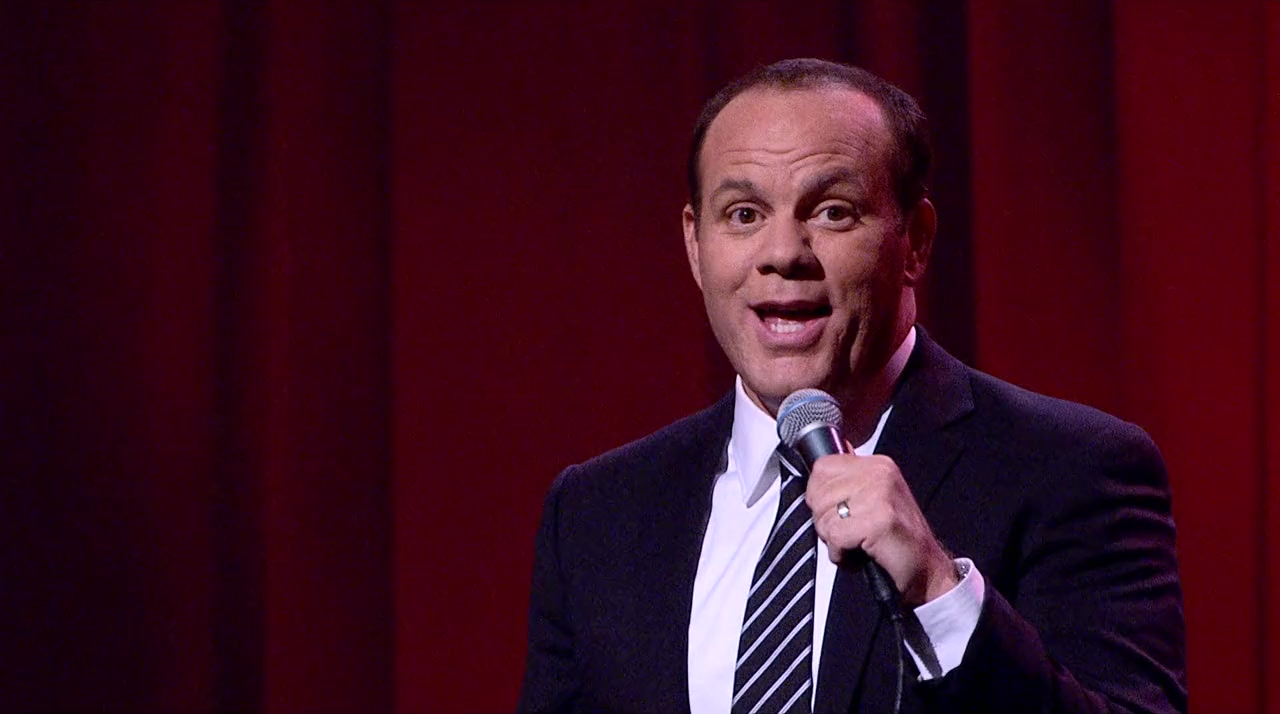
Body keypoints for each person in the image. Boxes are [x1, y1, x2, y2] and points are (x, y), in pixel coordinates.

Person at [517, 58, 1185, 714]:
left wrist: (938, 590)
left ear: (914, 241)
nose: (783, 253)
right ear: (696, 246)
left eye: (833, 212)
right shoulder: (597, 513)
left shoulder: (1070, 469)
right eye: (744, 214)